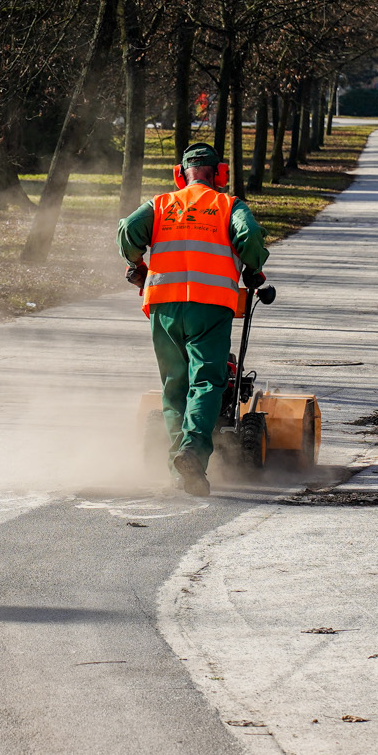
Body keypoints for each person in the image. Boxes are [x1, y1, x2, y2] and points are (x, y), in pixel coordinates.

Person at [117, 144, 268, 496]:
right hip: (211, 307)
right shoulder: (229, 205)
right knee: (207, 382)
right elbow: (249, 237)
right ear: (219, 174)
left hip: (163, 307)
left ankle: (178, 472)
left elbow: (127, 232)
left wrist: (138, 266)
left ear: (179, 173)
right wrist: (254, 270)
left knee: (175, 387)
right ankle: (193, 455)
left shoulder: (160, 206)